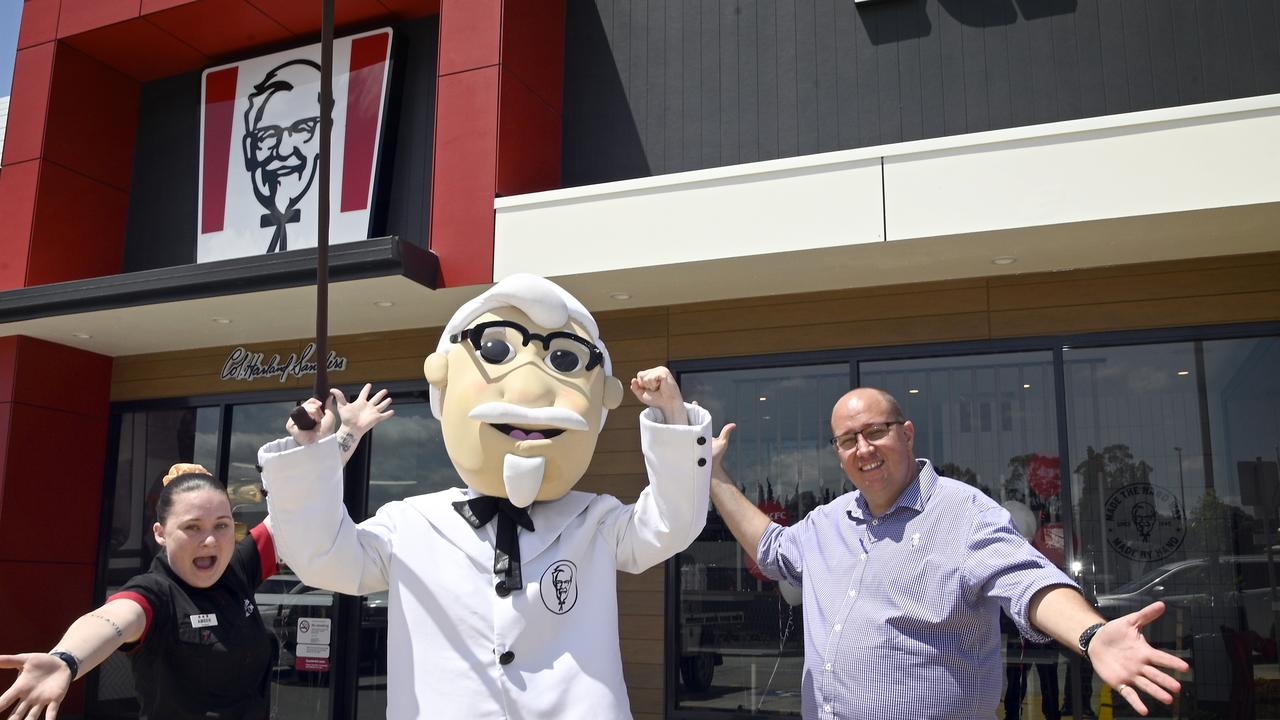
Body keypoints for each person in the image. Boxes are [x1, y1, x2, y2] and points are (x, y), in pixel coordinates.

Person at [257, 274, 714, 719]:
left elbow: (673, 523)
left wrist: (673, 417)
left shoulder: (594, 520)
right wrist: (317, 454)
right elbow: (321, 556)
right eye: (496, 349)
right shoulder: (412, 523)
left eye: (566, 360)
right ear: (444, 384)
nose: (531, 387)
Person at [706, 387, 1190, 720]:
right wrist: (712, 472)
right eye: (848, 440)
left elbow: (1029, 582)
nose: (863, 448)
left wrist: (1092, 634)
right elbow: (770, 546)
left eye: (875, 431)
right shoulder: (827, 522)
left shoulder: (963, 513)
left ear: (907, 433)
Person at [0, 395, 386, 720]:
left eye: (221, 525)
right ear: (160, 534)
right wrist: (66, 659)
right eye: (192, 527)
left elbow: (297, 504)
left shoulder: (239, 566)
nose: (209, 541)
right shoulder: (154, 594)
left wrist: (345, 435)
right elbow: (111, 619)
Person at [241, 59, 325, 253]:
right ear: (249, 150)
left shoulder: (335, 228)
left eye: (301, 129)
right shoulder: (230, 241)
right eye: (269, 134)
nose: (283, 151)